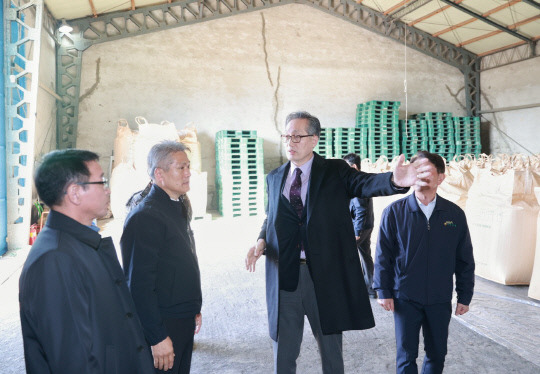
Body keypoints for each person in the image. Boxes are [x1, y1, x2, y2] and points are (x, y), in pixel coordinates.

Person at [245, 111, 436, 374]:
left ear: (314, 139)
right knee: (284, 351)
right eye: (287, 136)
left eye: (297, 136)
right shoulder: (275, 177)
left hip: (323, 276)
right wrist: (261, 241)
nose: (290, 142)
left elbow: (365, 183)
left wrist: (394, 181)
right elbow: (272, 216)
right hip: (285, 276)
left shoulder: (335, 171)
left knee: (330, 349)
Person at [19, 149, 155, 374]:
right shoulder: (54, 260)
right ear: (75, 193)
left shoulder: (81, 243)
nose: (108, 190)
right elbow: (73, 360)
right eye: (101, 182)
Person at [373, 150, 475, 374]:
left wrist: (464, 295)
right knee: (406, 355)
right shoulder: (394, 212)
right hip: (405, 296)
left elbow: (464, 258)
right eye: (416, 170)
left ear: (441, 178)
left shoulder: (454, 214)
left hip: (439, 298)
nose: (421, 176)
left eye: (427, 171)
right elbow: (383, 255)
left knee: (437, 353)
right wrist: (383, 290)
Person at [121, 141, 202, 374]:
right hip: (164, 321)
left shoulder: (178, 204)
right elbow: (138, 285)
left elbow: (182, 260)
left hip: (182, 316)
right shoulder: (145, 217)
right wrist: (157, 337)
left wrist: (193, 306)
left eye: (188, 167)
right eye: (181, 168)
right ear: (160, 173)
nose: (188, 174)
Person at [343, 153, 376, 298]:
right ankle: (370, 288)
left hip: (360, 228)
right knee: (365, 256)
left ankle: (351, 289)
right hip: (367, 225)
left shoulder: (356, 182)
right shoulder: (364, 179)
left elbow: (361, 209)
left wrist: (356, 231)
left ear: (354, 167)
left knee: (346, 255)